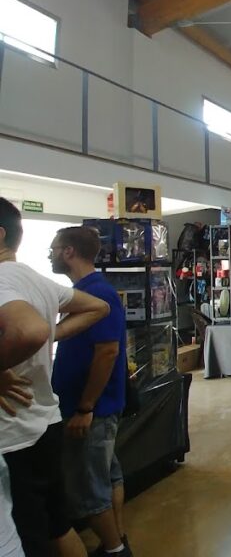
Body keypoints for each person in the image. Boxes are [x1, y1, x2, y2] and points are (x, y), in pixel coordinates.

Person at [0, 198, 111, 557]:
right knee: (56, 526)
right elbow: (96, 308)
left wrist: (44, 334)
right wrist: (52, 332)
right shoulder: (34, 279)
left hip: (12, 436)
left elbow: (30, 331)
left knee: (26, 537)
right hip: (44, 423)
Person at [49, 227, 132, 557]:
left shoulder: (98, 294)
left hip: (93, 411)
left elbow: (108, 351)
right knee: (108, 476)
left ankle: (114, 549)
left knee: (90, 486)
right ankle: (118, 538)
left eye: (54, 248)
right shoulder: (81, 292)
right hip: (93, 407)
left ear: (69, 251)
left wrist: (86, 407)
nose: (50, 253)